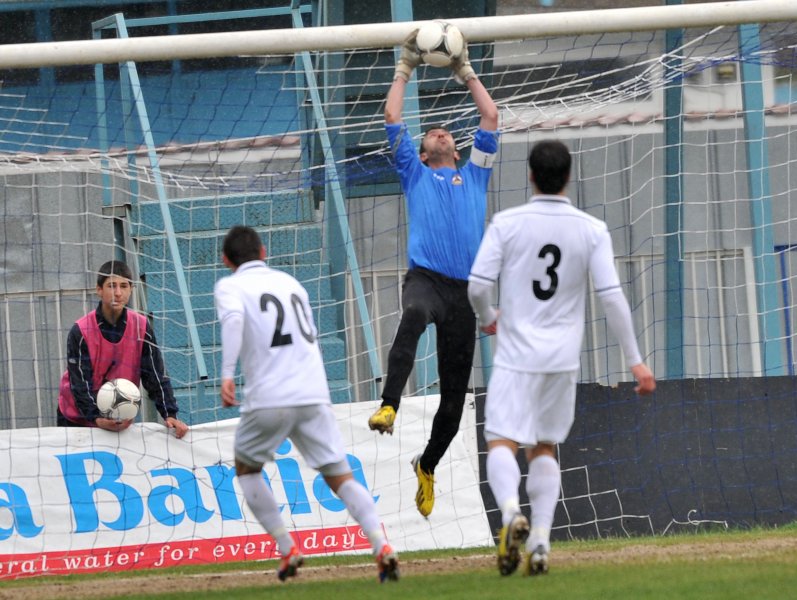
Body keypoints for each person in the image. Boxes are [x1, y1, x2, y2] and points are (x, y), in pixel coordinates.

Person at [467, 140, 656, 576]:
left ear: (530, 175)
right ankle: (539, 542)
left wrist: (488, 316)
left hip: (516, 355)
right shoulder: (590, 228)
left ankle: (512, 511)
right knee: (545, 446)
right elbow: (611, 295)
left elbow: (477, 285)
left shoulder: (507, 223)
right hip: (562, 358)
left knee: (501, 439)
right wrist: (635, 360)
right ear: (568, 177)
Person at [214, 225, 399, 583]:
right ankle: (381, 544)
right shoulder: (291, 284)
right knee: (341, 477)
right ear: (264, 252)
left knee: (247, 469)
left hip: (270, 396)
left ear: (225, 261)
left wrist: (226, 373)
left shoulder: (230, 286)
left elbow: (235, 320)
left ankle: (287, 549)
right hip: (313, 392)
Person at [366, 27, 499, 519]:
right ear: (422, 154)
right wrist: (405, 67)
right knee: (414, 315)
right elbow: (392, 116)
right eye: (433, 133)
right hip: (426, 279)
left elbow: (490, 115)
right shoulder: (414, 172)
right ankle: (389, 405)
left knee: (453, 396)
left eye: (447, 132)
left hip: (466, 292)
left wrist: (465, 70)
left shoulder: (477, 172)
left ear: (457, 151)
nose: (440, 131)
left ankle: (428, 464)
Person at [57, 260, 189, 438]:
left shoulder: (141, 327)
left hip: (118, 418)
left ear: (131, 289)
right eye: (111, 286)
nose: (118, 293)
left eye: (123, 286)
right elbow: (79, 384)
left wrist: (169, 414)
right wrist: (96, 418)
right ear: (99, 290)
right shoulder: (81, 331)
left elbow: (155, 376)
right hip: (76, 419)